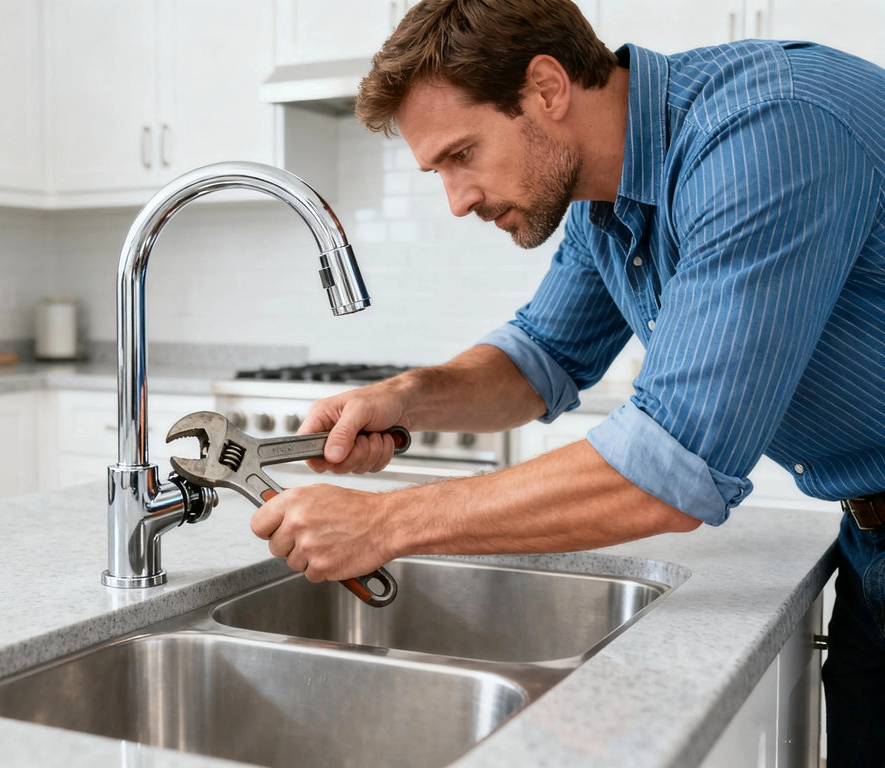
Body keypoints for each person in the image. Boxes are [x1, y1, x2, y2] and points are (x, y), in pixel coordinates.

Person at [249, 1, 885, 763]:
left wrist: (385, 524)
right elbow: (538, 358)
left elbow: (668, 472)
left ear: (547, 88)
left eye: (462, 155)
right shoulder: (604, 200)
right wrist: (406, 396)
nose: (458, 200)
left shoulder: (766, 132)